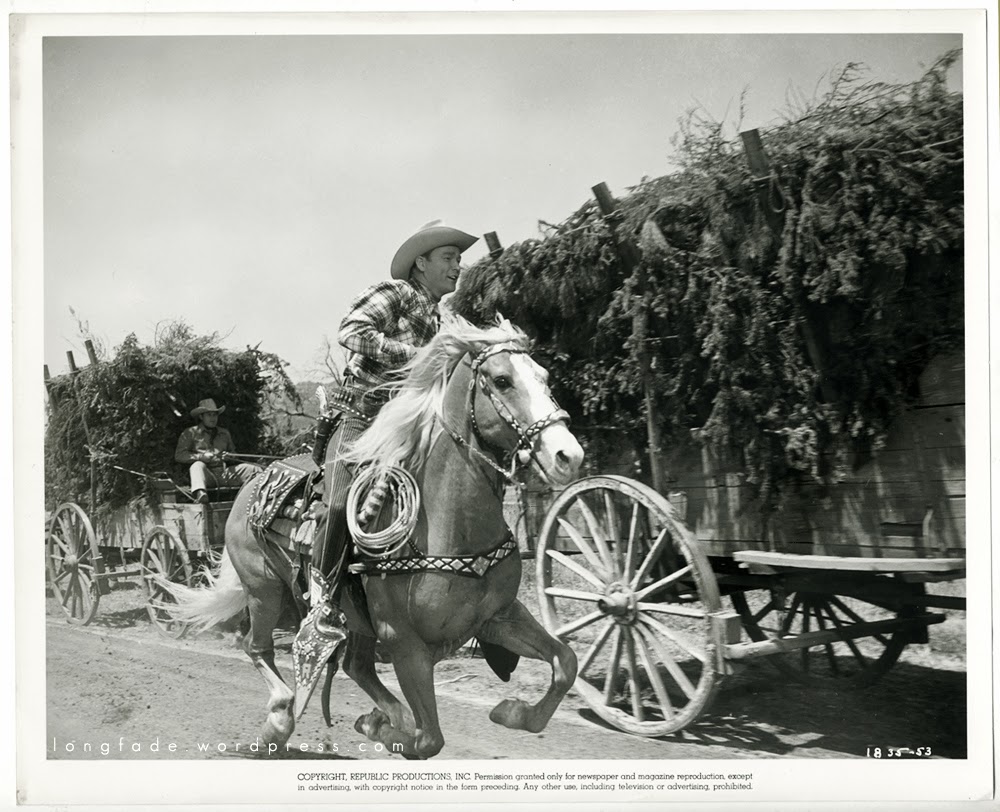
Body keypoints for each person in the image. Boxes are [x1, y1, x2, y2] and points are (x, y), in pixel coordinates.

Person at [293, 220, 478, 707]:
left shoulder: (443, 320)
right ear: (421, 262)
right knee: (338, 505)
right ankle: (321, 603)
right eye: (448, 258)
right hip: (358, 417)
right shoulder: (392, 293)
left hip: (407, 427)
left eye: (459, 260)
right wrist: (419, 354)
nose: (457, 267)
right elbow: (351, 332)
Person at [174, 398, 261, 504]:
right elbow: (179, 455)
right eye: (209, 415)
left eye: (215, 415)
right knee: (197, 466)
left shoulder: (224, 433)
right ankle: (201, 494)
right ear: (201, 417)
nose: (213, 418)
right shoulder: (190, 433)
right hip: (206, 475)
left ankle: (258, 497)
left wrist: (229, 456)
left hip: (224, 473)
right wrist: (201, 457)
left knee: (253, 469)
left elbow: (234, 454)